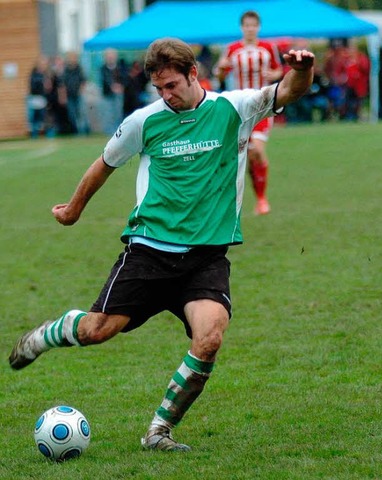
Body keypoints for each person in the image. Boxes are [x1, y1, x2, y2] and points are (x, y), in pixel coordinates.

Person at [8, 37, 315, 452]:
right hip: (150, 251)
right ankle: (43, 336)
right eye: (159, 88)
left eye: (172, 85)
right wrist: (74, 210)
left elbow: (290, 90)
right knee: (97, 331)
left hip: (206, 257)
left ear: (193, 74)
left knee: (209, 339)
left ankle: (158, 431)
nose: (166, 95)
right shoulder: (144, 121)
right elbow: (104, 164)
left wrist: (301, 69)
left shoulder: (234, 108)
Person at [215, 10, 283, 215]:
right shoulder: (232, 49)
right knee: (238, 154)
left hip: (263, 105)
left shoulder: (268, 47)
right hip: (240, 106)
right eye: (247, 25)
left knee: (256, 151)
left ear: (258, 27)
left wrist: (273, 74)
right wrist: (220, 68)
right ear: (242, 27)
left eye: (254, 25)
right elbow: (219, 74)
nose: (250, 29)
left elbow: (278, 70)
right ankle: (230, 200)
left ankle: (261, 199)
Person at [100, 48, 125, 135]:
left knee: (118, 113)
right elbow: (105, 80)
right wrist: (112, 87)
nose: (110, 58)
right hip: (107, 94)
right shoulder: (102, 68)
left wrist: (120, 86)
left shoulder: (120, 67)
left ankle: (118, 132)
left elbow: (124, 79)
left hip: (118, 94)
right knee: (108, 114)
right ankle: (109, 132)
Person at [62, 51, 89, 135]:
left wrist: (81, 91)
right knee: (72, 114)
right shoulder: (65, 70)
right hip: (70, 96)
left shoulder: (79, 69)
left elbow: (83, 81)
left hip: (78, 95)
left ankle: (83, 131)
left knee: (81, 113)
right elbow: (63, 84)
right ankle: (76, 131)